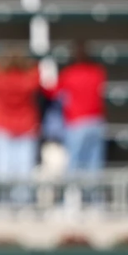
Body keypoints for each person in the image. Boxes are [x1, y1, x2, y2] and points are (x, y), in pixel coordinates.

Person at [0, 47, 41, 200]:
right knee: (24, 171)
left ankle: (3, 203)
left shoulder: (0, 77)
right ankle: (21, 204)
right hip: (24, 126)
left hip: (5, 126)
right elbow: (39, 79)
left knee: (2, 170)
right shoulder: (28, 78)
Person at [48, 41, 107, 174]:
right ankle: (94, 195)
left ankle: (73, 195)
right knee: (94, 166)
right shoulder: (97, 73)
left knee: (74, 166)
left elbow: (52, 92)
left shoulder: (69, 74)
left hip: (77, 123)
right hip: (96, 122)